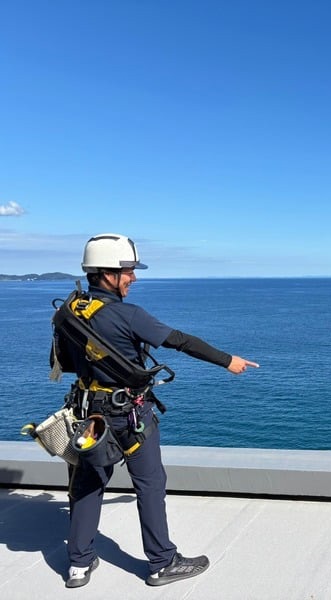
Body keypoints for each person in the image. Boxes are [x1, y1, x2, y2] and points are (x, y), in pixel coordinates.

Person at [61, 233, 259, 588]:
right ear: (107, 273)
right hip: (128, 416)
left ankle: (78, 564)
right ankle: (162, 563)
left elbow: (67, 362)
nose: (133, 278)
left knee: (88, 483)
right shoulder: (126, 315)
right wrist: (227, 360)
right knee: (150, 483)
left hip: (89, 414)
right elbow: (179, 340)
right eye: (128, 271)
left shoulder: (70, 312)